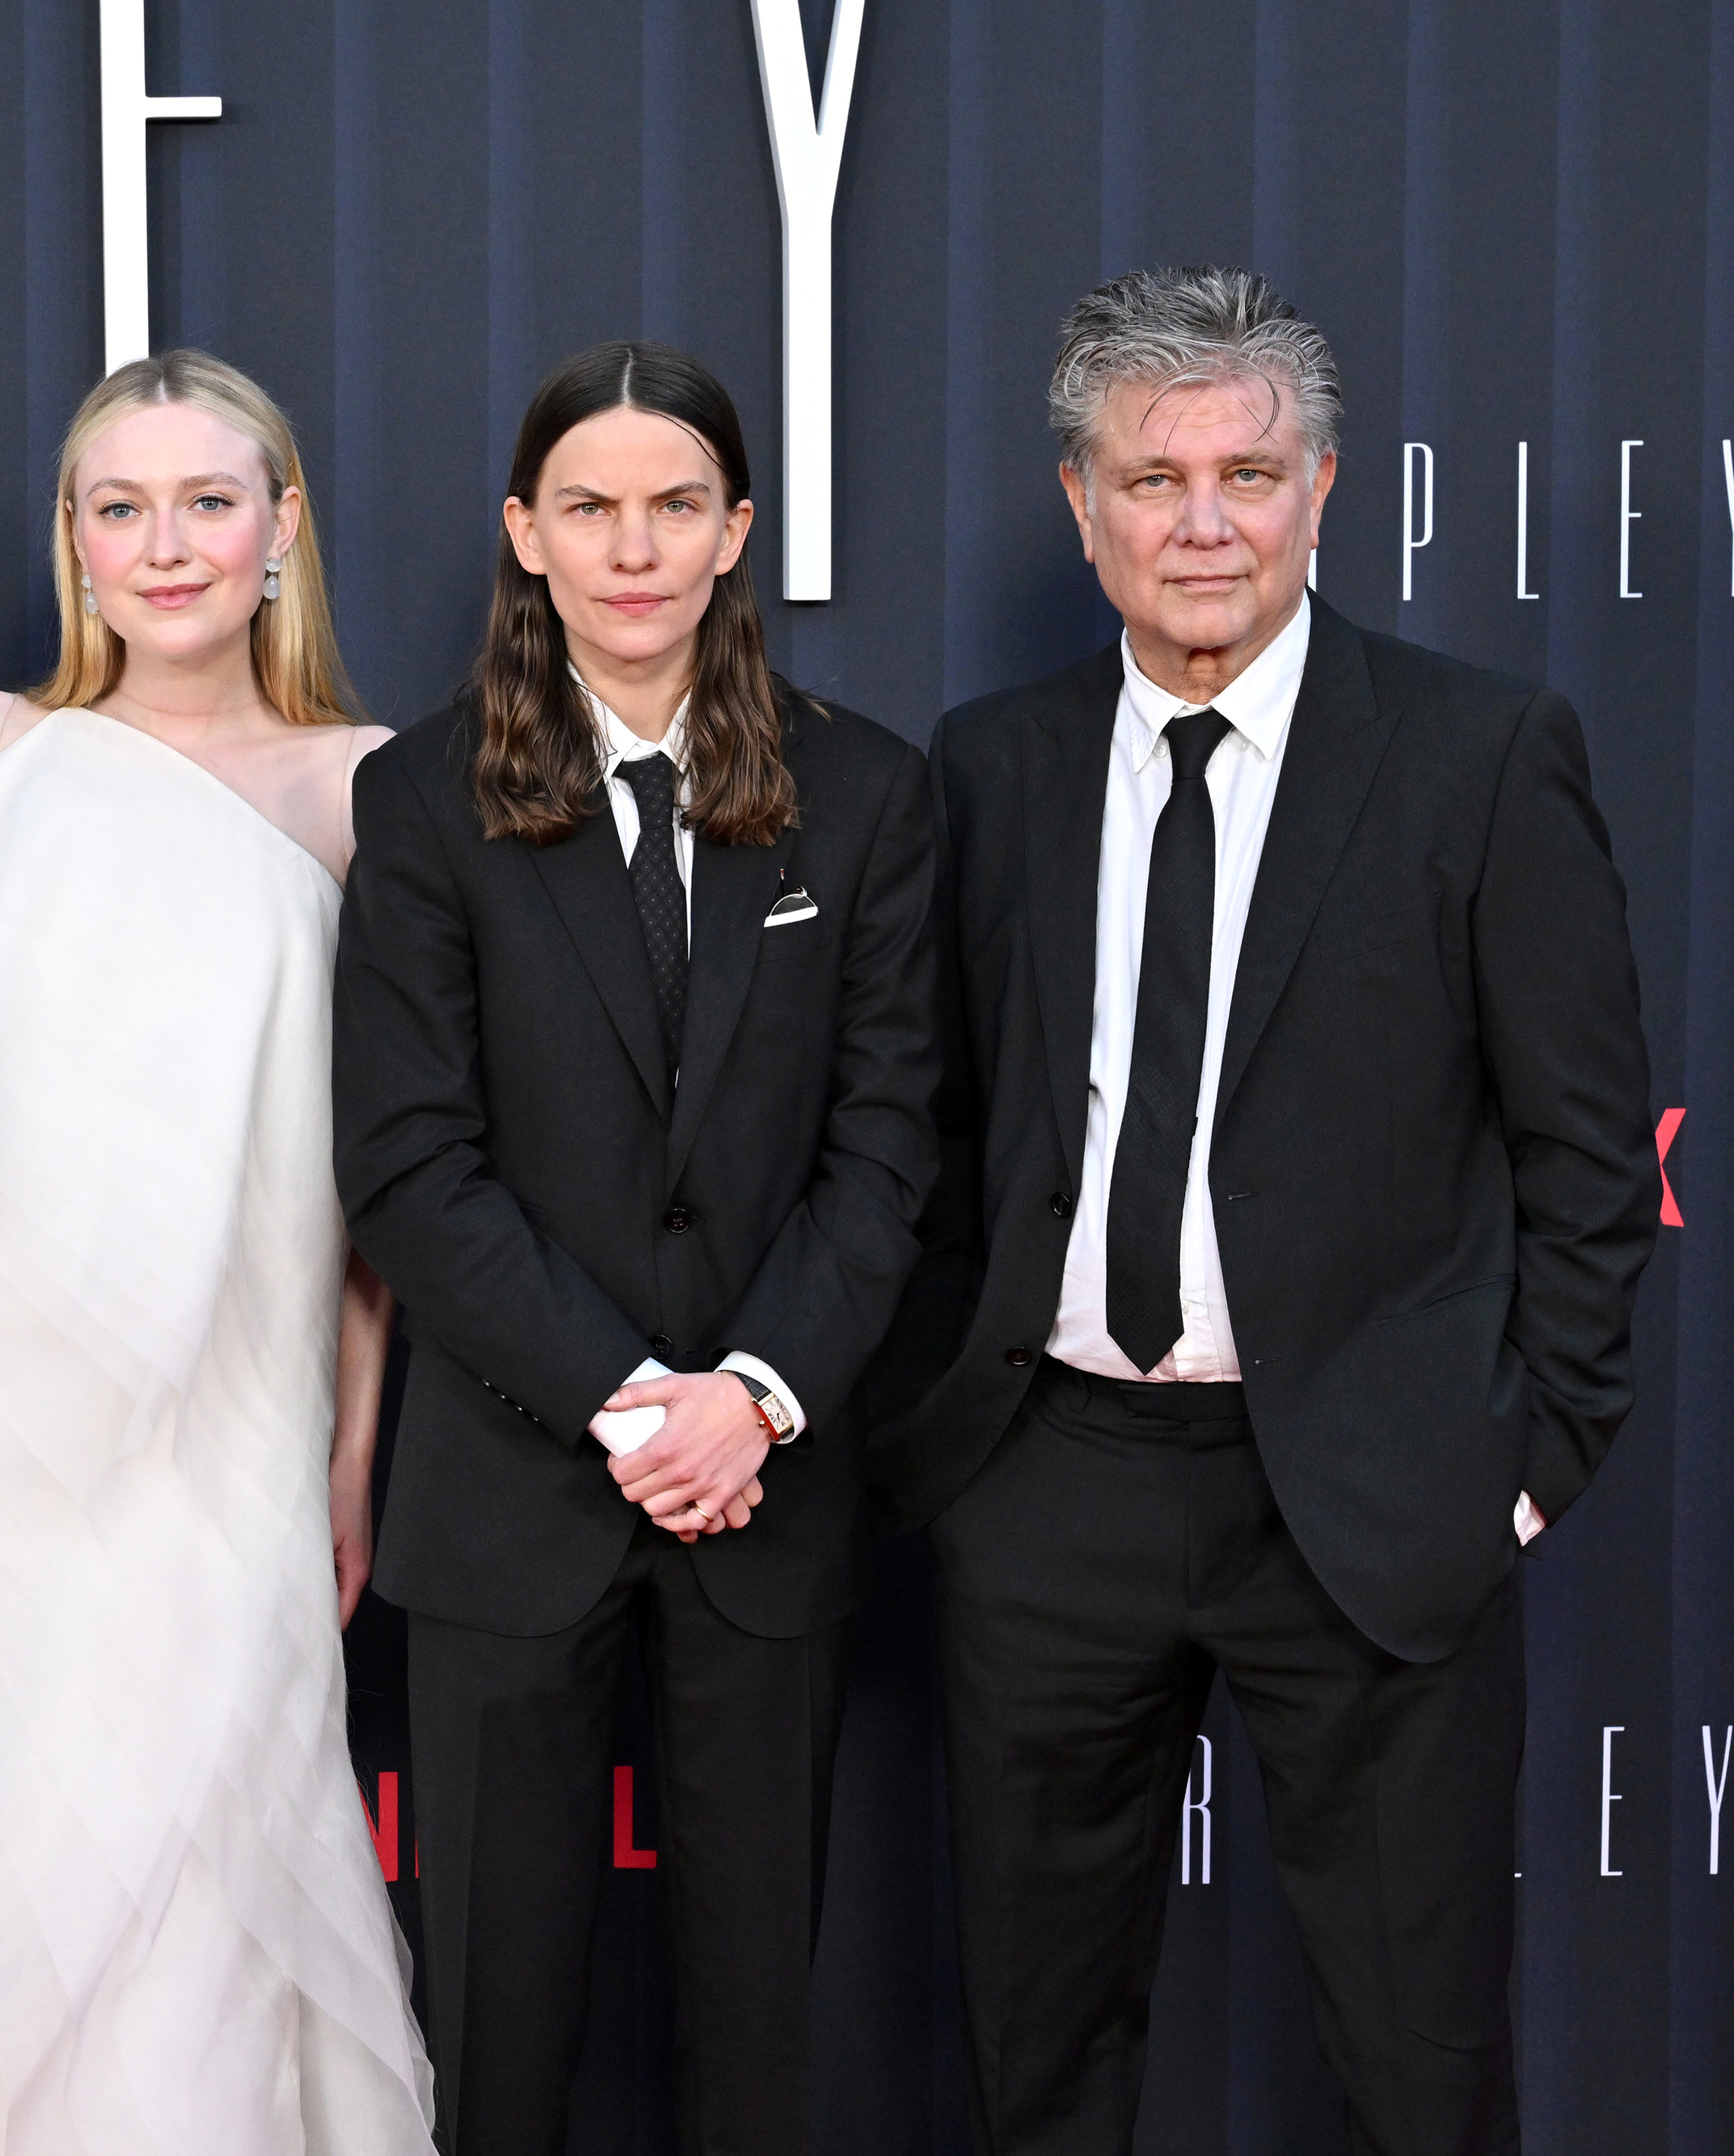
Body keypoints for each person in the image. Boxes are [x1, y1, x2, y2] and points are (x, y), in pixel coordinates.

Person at [872, 266, 1657, 2153]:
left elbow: (1581, 1145)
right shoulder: (990, 761)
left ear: (1322, 488)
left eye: (1246, 471)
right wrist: (947, 1438)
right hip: (1048, 1482)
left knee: (1419, 2063)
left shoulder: (1477, 751)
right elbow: (931, 1128)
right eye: (1152, 478)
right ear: (1080, 503)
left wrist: (1521, 1461)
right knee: (1035, 2053)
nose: (1201, 521)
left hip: (1372, 1492)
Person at [0, 349, 437, 2152]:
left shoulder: (367, 788)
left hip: (217, 1450)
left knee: (189, 1893)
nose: (166, 545)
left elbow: (377, 1177)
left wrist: (349, 1450)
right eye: (122, 508)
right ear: (76, 541)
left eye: (208, 503)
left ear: (281, 528)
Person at [331, 341, 939, 2156]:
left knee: (757, 2034)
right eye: (588, 508)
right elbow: (409, 1164)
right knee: (494, 2033)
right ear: (524, 533)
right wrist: (630, 1401)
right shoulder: (422, 797)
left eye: (675, 505)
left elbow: (887, 1146)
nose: (633, 548)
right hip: (512, 1493)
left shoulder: (868, 792)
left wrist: (749, 1398)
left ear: (736, 529)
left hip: (769, 1494)